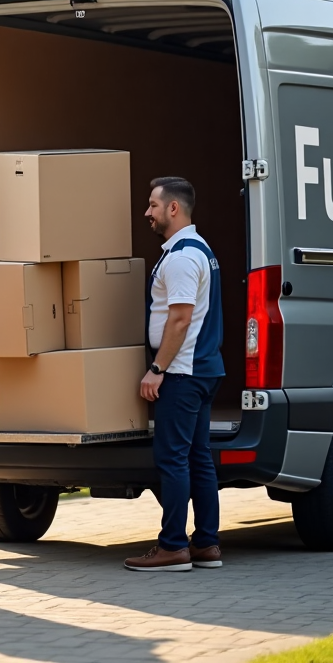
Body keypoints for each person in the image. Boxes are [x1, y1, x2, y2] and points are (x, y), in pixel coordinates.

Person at [126, 176, 225, 573]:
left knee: (173, 460)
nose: (147, 212)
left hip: (182, 374)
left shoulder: (183, 256)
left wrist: (156, 370)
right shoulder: (199, 250)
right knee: (198, 458)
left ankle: (172, 547)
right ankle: (206, 544)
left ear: (173, 208)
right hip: (201, 371)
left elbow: (180, 319)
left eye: (152, 205)